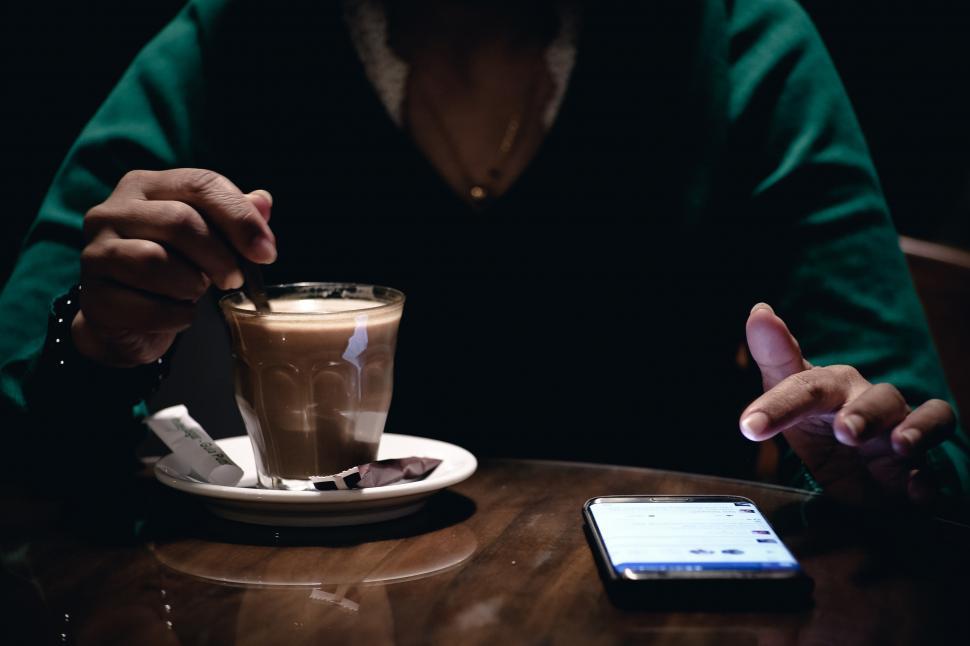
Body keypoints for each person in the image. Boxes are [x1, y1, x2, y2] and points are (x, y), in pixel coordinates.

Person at [0, 0, 966, 513]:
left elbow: (915, 434)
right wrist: (95, 342)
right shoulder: (232, 35)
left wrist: (867, 462)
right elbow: (20, 399)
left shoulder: (740, 40)